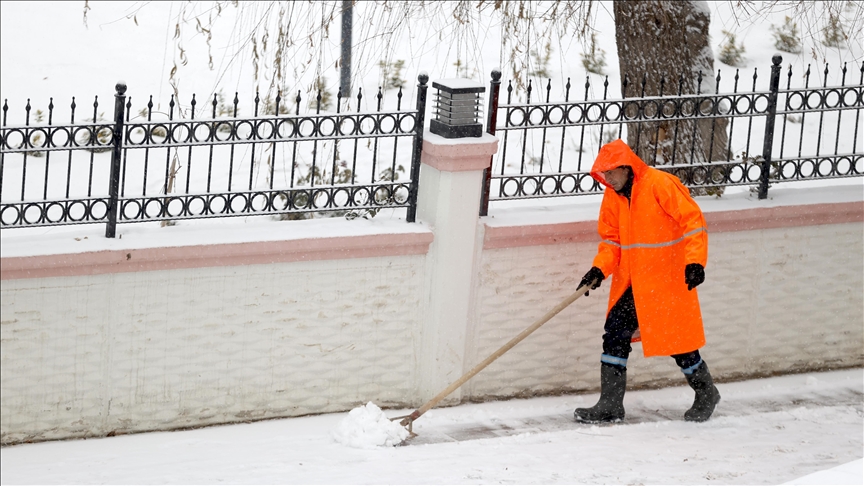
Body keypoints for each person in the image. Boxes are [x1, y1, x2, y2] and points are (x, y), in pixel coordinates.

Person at [573, 139, 720, 423]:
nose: (608, 179)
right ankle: (611, 405)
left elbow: (693, 221)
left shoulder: (660, 184)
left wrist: (695, 262)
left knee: (678, 342)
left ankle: (706, 392)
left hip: (666, 280)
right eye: (604, 174)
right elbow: (612, 242)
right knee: (615, 332)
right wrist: (598, 270)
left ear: (628, 167)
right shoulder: (613, 197)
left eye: (613, 172)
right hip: (633, 283)